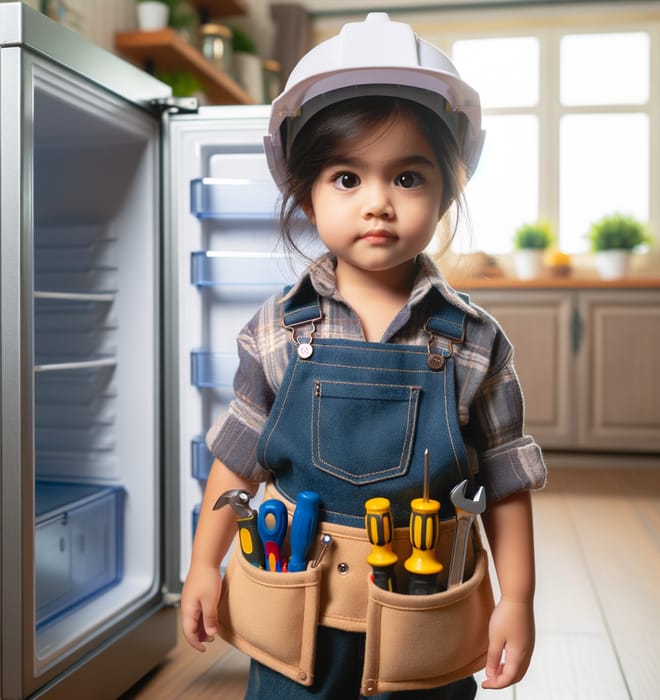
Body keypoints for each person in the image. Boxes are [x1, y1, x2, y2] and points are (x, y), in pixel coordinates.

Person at [181, 12, 547, 700]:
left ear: (447, 189)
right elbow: (236, 461)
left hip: (426, 622)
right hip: (296, 617)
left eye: (407, 177)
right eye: (347, 178)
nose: (378, 202)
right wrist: (205, 564)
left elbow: (505, 482)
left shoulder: (476, 343)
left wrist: (517, 600)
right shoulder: (275, 331)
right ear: (306, 191)